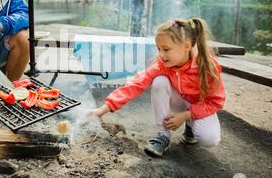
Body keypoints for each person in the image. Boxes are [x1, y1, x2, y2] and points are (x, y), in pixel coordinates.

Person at [91, 18, 225, 157]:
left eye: (166, 49)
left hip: (200, 106)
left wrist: (187, 115)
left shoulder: (208, 67)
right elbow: (136, 84)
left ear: (186, 46)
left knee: (209, 140)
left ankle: (190, 127)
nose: (161, 54)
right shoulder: (163, 64)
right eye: (159, 49)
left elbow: (216, 102)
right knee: (159, 81)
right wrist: (102, 109)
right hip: (179, 101)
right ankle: (163, 136)